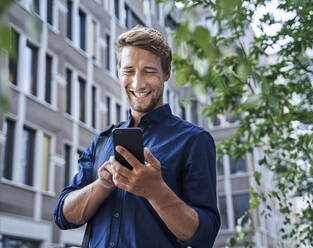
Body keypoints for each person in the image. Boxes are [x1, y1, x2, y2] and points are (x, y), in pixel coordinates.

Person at [53, 26, 220, 248]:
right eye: (129, 71)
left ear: (167, 73)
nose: (138, 83)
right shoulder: (103, 140)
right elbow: (63, 216)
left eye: (149, 71)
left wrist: (156, 191)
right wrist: (102, 185)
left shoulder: (194, 140)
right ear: (118, 71)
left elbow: (204, 236)